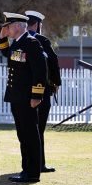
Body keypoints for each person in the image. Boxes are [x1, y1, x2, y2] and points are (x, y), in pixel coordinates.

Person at [0, 12, 47, 182]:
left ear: (18, 26)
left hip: (27, 98)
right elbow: (7, 55)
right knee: (23, 135)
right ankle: (26, 170)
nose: (7, 29)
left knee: (30, 135)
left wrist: (36, 95)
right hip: (17, 97)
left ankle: (32, 173)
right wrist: (1, 37)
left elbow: (40, 71)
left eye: (8, 26)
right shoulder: (18, 43)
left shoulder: (31, 43)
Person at [25, 10, 61, 173]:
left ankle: (29, 163)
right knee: (39, 129)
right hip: (41, 91)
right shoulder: (41, 40)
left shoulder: (20, 41)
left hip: (24, 91)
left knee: (27, 129)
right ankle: (38, 164)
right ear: (38, 24)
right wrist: (56, 83)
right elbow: (53, 62)